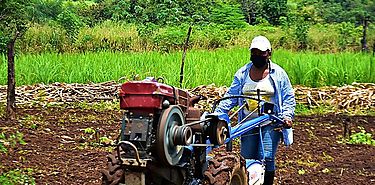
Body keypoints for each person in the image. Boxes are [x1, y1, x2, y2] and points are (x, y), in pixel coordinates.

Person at [214, 36, 295, 185]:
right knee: (246, 157)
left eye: (261, 53)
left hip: (271, 122)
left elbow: (288, 97)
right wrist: (217, 114)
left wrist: (287, 116)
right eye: (254, 52)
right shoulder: (243, 73)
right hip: (248, 122)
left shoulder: (278, 73)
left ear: (269, 54)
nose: (257, 56)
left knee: (267, 156)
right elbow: (232, 96)